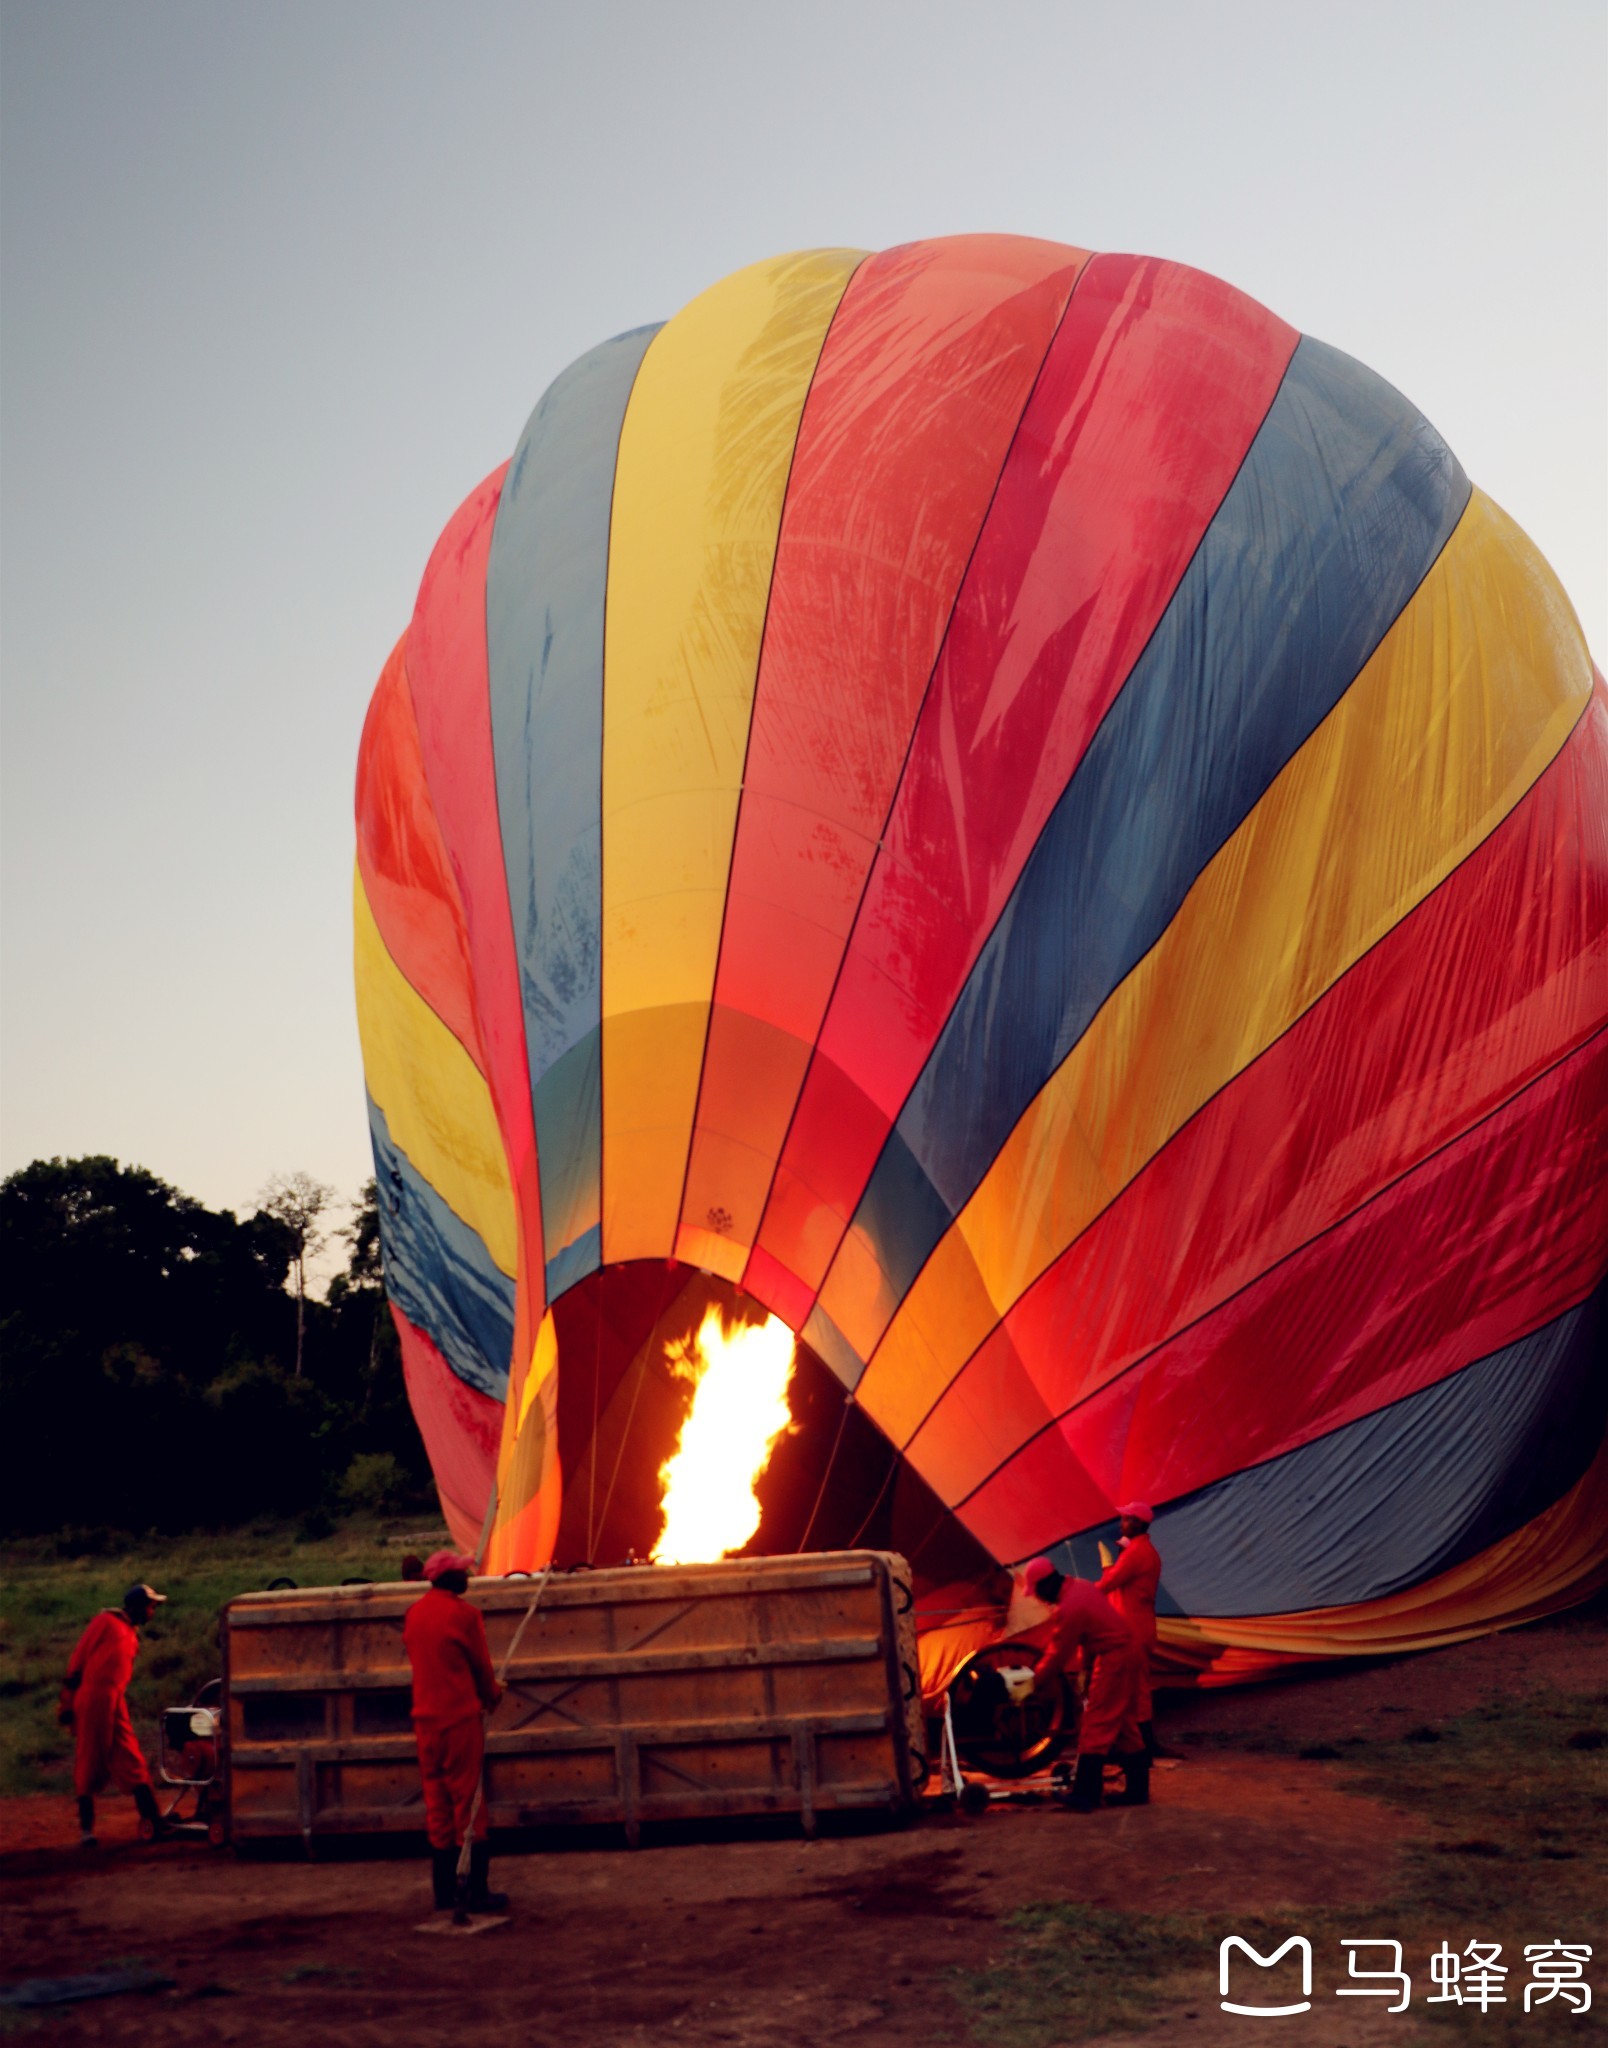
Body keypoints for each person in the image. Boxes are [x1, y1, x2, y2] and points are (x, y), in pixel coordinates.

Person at [402, 1550, 507, 1914]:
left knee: (438, 1805)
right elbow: (481, 1666)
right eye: (463, 1572)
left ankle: (443, 1893)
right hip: (459, 1721)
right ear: (449, 1579)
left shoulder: (414, 1614)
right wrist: (493, 1694)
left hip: (425, 1722)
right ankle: (476, 1891)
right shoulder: (465, 1615)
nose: (468, 1576)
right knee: (469, 1805)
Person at [1024, 1556, 1148, 1812]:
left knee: (1096, 1721)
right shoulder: (1081, 1586)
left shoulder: (1068, 1609)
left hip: (1115, 1658)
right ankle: (1138, 1791)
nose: (1039, 1599)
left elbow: (1056, 1655)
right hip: (1124, 1653)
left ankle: (1086, 1794)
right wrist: (1086, 1669)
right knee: (1123, 1722)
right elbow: (1090, 1634)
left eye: (1036, 1592)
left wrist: (1031, 1684)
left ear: (1046, 1585)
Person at [59, 1583, 169, 1847]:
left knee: (131, 1757)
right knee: (89, 1759)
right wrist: (67, 1703)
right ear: (136, 1606)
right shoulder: (105, 1622)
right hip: (94, 1699)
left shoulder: (129, 1631)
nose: (153, 1611)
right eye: (150, 1605)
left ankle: (153, 1819)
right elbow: (78, 1662)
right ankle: (87, 1831)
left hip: (114, 1700)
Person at [1098, 1501, 1171, 1758]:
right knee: (1136, 1687)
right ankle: (1142, 1743)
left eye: (1127, 1519)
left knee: (1130, 1687)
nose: (1122, 1524)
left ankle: (1139, 1745)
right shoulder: (1142, 1551)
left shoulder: (1137, 1554)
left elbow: (1108, 1583)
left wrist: (1106, 1565)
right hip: (1139, 1626)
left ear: (1138, 1523)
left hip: (1132, 1629)